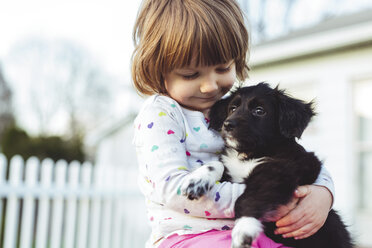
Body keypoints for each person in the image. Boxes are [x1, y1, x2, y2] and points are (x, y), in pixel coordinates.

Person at [131, 0, 334, 247]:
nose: (210, 86)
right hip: (187, 236)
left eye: (222, 68)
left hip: (247, 231)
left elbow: (295, 161)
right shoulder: (161, 114)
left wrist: (322, 195)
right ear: (158, 69)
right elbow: (174, 190)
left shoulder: (232, 106)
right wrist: (268, 198)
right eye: (190, 74)